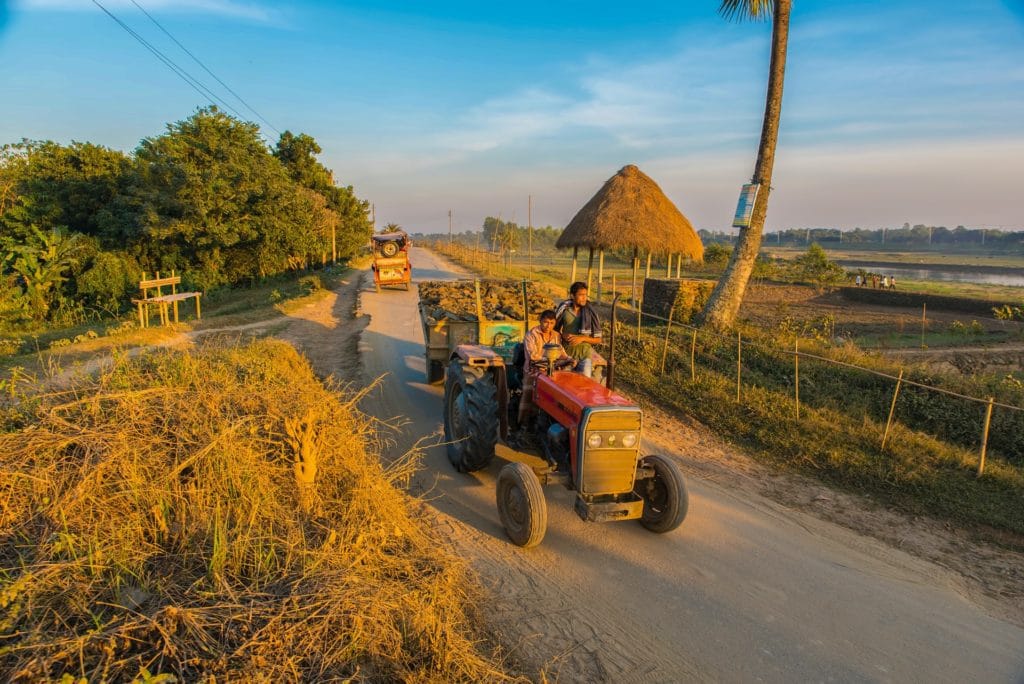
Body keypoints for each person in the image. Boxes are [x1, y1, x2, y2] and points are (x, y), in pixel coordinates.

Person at [518, 309, 573, 427]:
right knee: (528, 395)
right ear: (540, 321)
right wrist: (550, 361)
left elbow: (561, 352)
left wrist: (569, 359)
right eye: (546, 322)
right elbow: (533, 356)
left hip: (552, 372)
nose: (548, 326)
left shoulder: (556, 335)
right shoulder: (531, 334)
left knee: (558, 398)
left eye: (552, 323)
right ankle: (523, 424)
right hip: (533, 371)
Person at [554, 281, 602, 378]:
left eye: (585, 295)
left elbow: (598, 339)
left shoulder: (590, 312)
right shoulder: (564, 309)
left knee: (584, 386)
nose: (585, 298)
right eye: (581, 295)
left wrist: (582, 338)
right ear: (572, 295)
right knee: (564, 385)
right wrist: (563, 335)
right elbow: (554, 330)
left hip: (585, 356)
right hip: (566, 355)